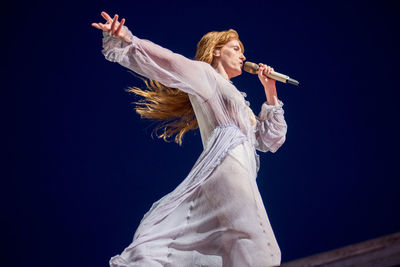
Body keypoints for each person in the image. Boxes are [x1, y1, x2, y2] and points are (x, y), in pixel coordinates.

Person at [92, 11, 287, 267]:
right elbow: (169, 61)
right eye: (236, 48)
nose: (243, 55)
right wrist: (127, 38)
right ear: (216, 51)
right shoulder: (206, 76)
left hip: (241, 164)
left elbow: (269, 139)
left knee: (239, 243)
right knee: (259, 244)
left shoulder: (239, 101)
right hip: (229, 162)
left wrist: (269, 90)